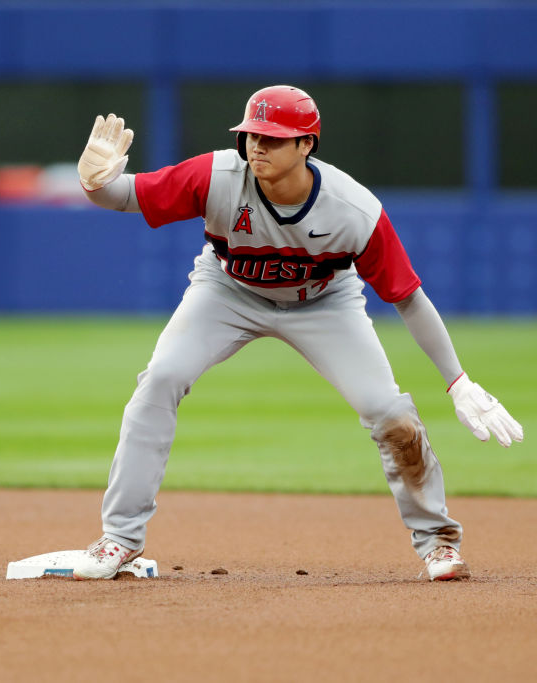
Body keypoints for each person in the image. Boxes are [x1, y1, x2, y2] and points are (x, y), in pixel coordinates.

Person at [71, 85, 524, 581]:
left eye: (273, 138)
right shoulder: (217, 175)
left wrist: (457, 381)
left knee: (388, 411)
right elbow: (124, 195)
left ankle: (437, 542)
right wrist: (95, 181)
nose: (257, 146)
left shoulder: (353, 210)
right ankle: (119, 538)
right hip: (227, 291)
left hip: (323, 302)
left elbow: (408, 297)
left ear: (307, 145)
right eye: (251, 135)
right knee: (159, 379)